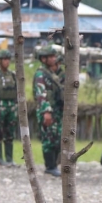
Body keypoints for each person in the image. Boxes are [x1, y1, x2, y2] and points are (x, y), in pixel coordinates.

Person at [33, 45, 64, 177]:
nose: (53, 59)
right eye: (50, 57)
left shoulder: (56, 74)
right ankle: (50, 166)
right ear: (43, 59)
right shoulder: (41, 74)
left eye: (54, 56)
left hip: (57, 111)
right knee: (49, 139)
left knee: (58, 138)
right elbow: (41, 94)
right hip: (47, 112)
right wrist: (46, 112)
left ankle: (55, 165)